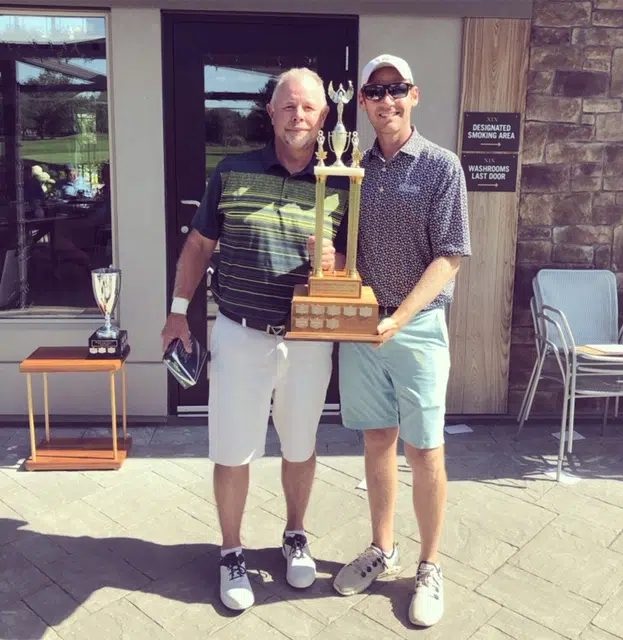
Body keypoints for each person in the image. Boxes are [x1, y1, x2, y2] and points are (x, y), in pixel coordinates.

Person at [160, 67, 348, 612]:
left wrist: (334, 267)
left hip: (309, 341)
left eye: (309, 108)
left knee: (300, 446)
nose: (298, 116)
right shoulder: (233, 172)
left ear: (325, 116)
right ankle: (232, 550)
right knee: (233, 449)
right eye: (288, 106)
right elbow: (197, 247)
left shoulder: (339, 180)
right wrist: (178, 316)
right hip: (240, 334)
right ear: (270, 112)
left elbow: (354, 267)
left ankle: (294, 534)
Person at [331, 54, 471, 627]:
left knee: (425, 450)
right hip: (362, 327)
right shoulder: (353, 164)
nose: (386, 100)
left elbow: (451, 255)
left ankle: (429, 564)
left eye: (397, 90)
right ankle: (382, 547)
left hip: (415, 329)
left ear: (414, 96)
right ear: (362, 102)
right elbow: (342, 247)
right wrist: (329, 265)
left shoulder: (441, 166)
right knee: (377, 442)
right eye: (375, 91)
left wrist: (401, 317)